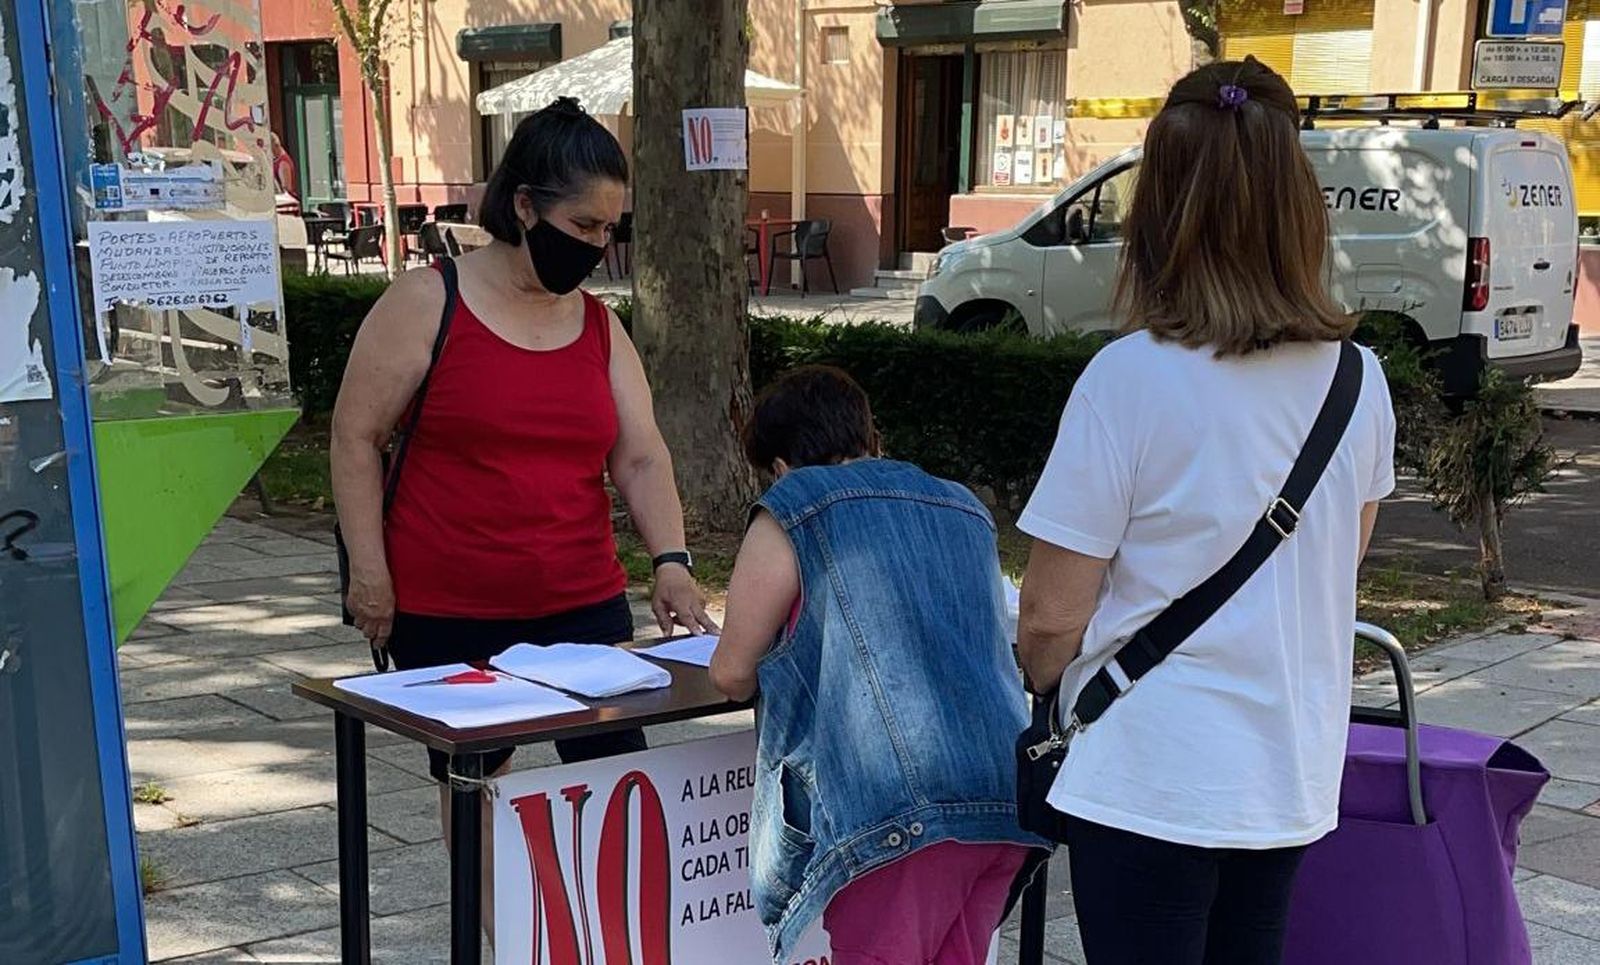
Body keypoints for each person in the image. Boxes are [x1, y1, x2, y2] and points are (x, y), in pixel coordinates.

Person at [1015, 58, 1396, 965]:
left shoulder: (1127, 380)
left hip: (1148, 775)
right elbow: (1338, 566)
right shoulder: (1359, 380)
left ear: (1158, 210)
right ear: (1300, 204)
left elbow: (1047, 622)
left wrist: (1044, 673)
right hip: (1285, 774)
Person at [330, 98, 715, 934]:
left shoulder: (602, 328)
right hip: (447, 600)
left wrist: (672, 559)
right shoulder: (425, 302)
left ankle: (606, 940)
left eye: (612, 229)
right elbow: (355, 436)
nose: (597, 247)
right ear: (524, 206)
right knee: (478, 788)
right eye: (583, 225)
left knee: (615, 778)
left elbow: (641, 455)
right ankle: (500, 939)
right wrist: (369, 571)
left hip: (582, 597)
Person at [711, 366, 1048, 965]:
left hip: (898, 811)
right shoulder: (963, 505)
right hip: (1003, 795)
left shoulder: (797, 505)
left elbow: (732, 670)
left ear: (782, 466)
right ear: (871, 437)